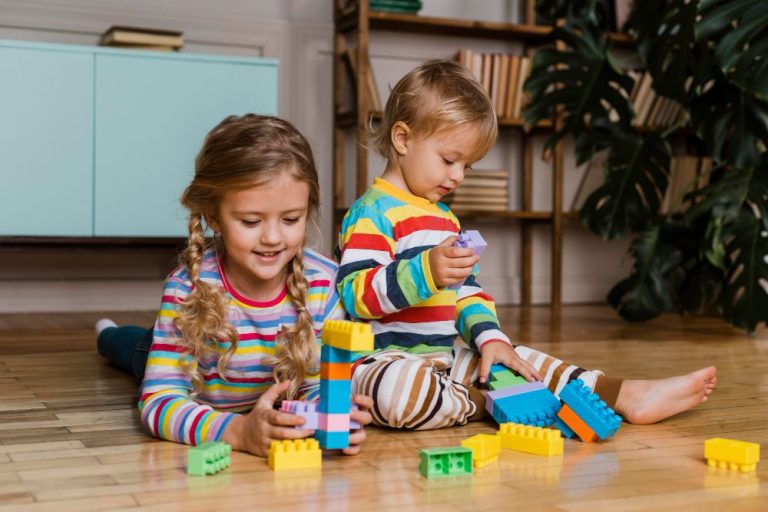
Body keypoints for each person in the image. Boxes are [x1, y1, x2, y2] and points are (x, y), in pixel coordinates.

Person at [336, 59, 717, 430]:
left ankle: (622, 393)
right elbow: (357, 296)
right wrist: (426, 270)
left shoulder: (445, 219)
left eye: (466, 167)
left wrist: (491, 340)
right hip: (383, 360)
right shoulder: (372, 213)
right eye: (449, 160)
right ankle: (482, 401)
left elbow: (467, 293)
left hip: (443, 358)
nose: (457, 177)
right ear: (403, 138)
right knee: (399, 394)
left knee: (519, 360)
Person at [97, 114, 372, 457]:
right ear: (213, 215)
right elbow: (159, 402)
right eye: (251, 221)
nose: (272, 238)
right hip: (177, 362)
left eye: (291, 219)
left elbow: (315, 384)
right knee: (130, 348)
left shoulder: (323, 285)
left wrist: (329, 416)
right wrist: (237, 431)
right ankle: (106, 333)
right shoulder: (187, 291)